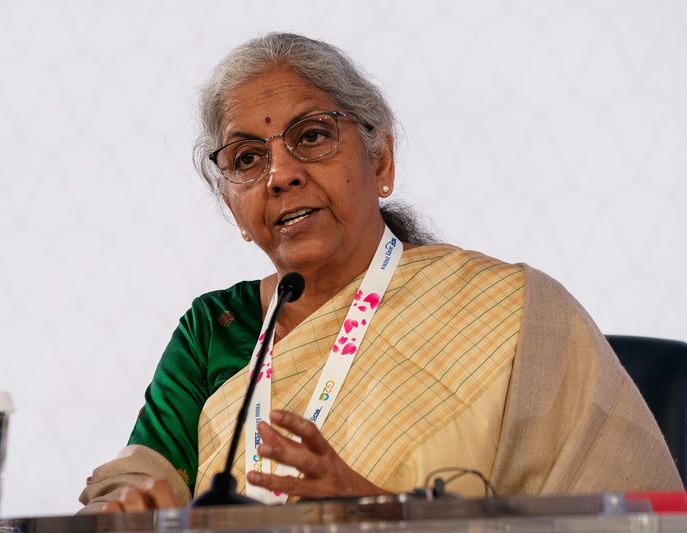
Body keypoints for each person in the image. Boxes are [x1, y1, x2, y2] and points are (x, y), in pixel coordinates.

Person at [79, 33, 681, 513]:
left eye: (311, 136)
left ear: (381, 160)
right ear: (233, 205)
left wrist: (379, 512)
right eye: (247, 159)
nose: (279, 175)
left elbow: (613, 516)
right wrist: (129, 509)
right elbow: (138, 480)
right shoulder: (218, 327)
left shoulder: (512, 311)